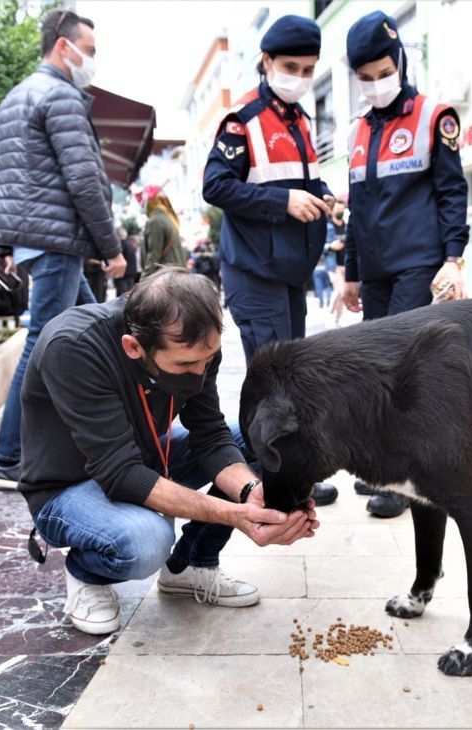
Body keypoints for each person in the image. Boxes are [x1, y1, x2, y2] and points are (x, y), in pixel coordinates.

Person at [19, 267, 319, 635]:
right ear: (134, 347)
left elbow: (210, 436)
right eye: (186, 364)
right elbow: (121, 473)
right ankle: (85, 574)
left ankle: (190, 564)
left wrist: (251, 493)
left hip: (142, 458)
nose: (199, 372)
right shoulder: (73, 346)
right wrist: (233, 515)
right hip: (66, 488)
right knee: (147, 541)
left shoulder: (197, 345)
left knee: (264, 440)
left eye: (207, 360)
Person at [0, 9, 127, 489]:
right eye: (90, 48)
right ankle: (8, 458)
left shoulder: (14, 98)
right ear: (64, 46)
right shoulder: (61, 96)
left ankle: (108, 437)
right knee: (42, 342)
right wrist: (111, 248)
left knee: (100, 330)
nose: (92, 59)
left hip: (36, 241)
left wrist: (5, 242)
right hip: (57, 241)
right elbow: (85, 181)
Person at [202, 14, 338, 507]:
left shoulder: (300, 120)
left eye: (308, 69)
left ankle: (291, 468)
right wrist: (283, 204)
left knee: (294, 376)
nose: (299, 77)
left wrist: (326, 196)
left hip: (290, 273)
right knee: (274, 383)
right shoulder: (242, 121)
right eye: (290, 66)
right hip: (254, 274)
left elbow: (302, 179)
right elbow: (215, 186)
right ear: (266, 63)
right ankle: (272, 478)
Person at [342, 10, 469, 517]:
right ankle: (383, 466)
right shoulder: (357, 132)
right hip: (374, 269)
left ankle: (403, 478)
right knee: (374, 369)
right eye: (365, 79)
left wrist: (454, 258)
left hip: (420, 264)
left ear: (399, 61)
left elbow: (451, 192)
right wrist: (350, 273)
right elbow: (358, 209)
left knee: (405, 371)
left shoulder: (435, 116)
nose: (376, 85)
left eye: (383, 73)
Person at [139, 186, 188, 279]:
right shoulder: (168, 219)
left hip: (166, 278)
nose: (142, 205)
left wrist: (143, 281)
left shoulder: (156, 221)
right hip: (176, 275)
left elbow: (153, 255)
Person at [114, 226, 139, 295]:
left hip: (123, 276)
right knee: (129, 297)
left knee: (122, 299)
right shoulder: (130, 245)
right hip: (131, 275)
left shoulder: (121, 245)